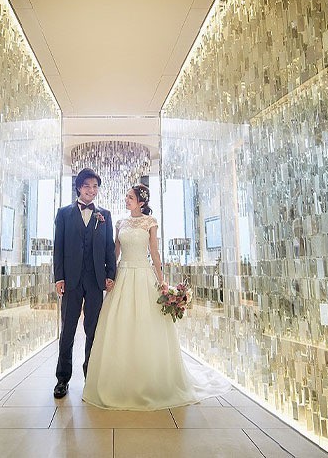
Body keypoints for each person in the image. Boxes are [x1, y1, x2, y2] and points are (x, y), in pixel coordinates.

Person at [83, 184, 229, 410]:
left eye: (130, 197)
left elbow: (154, 252)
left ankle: (149, 377)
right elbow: (114, 253)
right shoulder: (120, 223)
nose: (126, 200)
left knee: (146, 323)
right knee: (119, 323)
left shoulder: (150, 222)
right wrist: (109, 276)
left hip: (143, 275)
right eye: (126, 196)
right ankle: (119, 377)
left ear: (141, 202)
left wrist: (162, 281)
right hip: (123, 275)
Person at [53, 168, 116, 398]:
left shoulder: (104, 215)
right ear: (79, 187)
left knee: (93, 330)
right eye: (87, 186)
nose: (92, 190)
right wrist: (59, 277)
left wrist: (111, 274)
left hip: (95, 280)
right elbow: (58, 247)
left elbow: (109, 247)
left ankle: (91, 376)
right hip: (71, 280)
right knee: (68, 330)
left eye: (95, 186)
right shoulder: (63, 213)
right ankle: (62, 379)